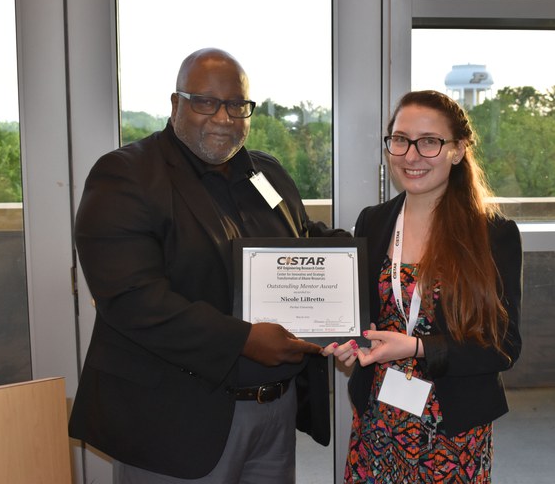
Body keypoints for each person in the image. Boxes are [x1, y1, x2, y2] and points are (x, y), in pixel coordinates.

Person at [69, 48, 345, 483]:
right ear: (176, 103)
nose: (223, 117)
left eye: (237, 105)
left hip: (274, 413)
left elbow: (302, 238)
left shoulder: (266, 174)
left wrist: (359, 258)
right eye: (205, 102)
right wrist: (244, 341)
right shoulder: (125, 176)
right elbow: (133, 301)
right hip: (173, 422)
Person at [324, 90, 523, 482]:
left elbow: (504, 346)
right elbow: (366, 316)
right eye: (400, 139)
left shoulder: (492, 234)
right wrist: (349, 344)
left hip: (452, 430)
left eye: (429, 142)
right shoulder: (373, 221)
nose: (411, 155)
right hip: (378, 420)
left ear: (457, 149)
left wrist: (417, 347)